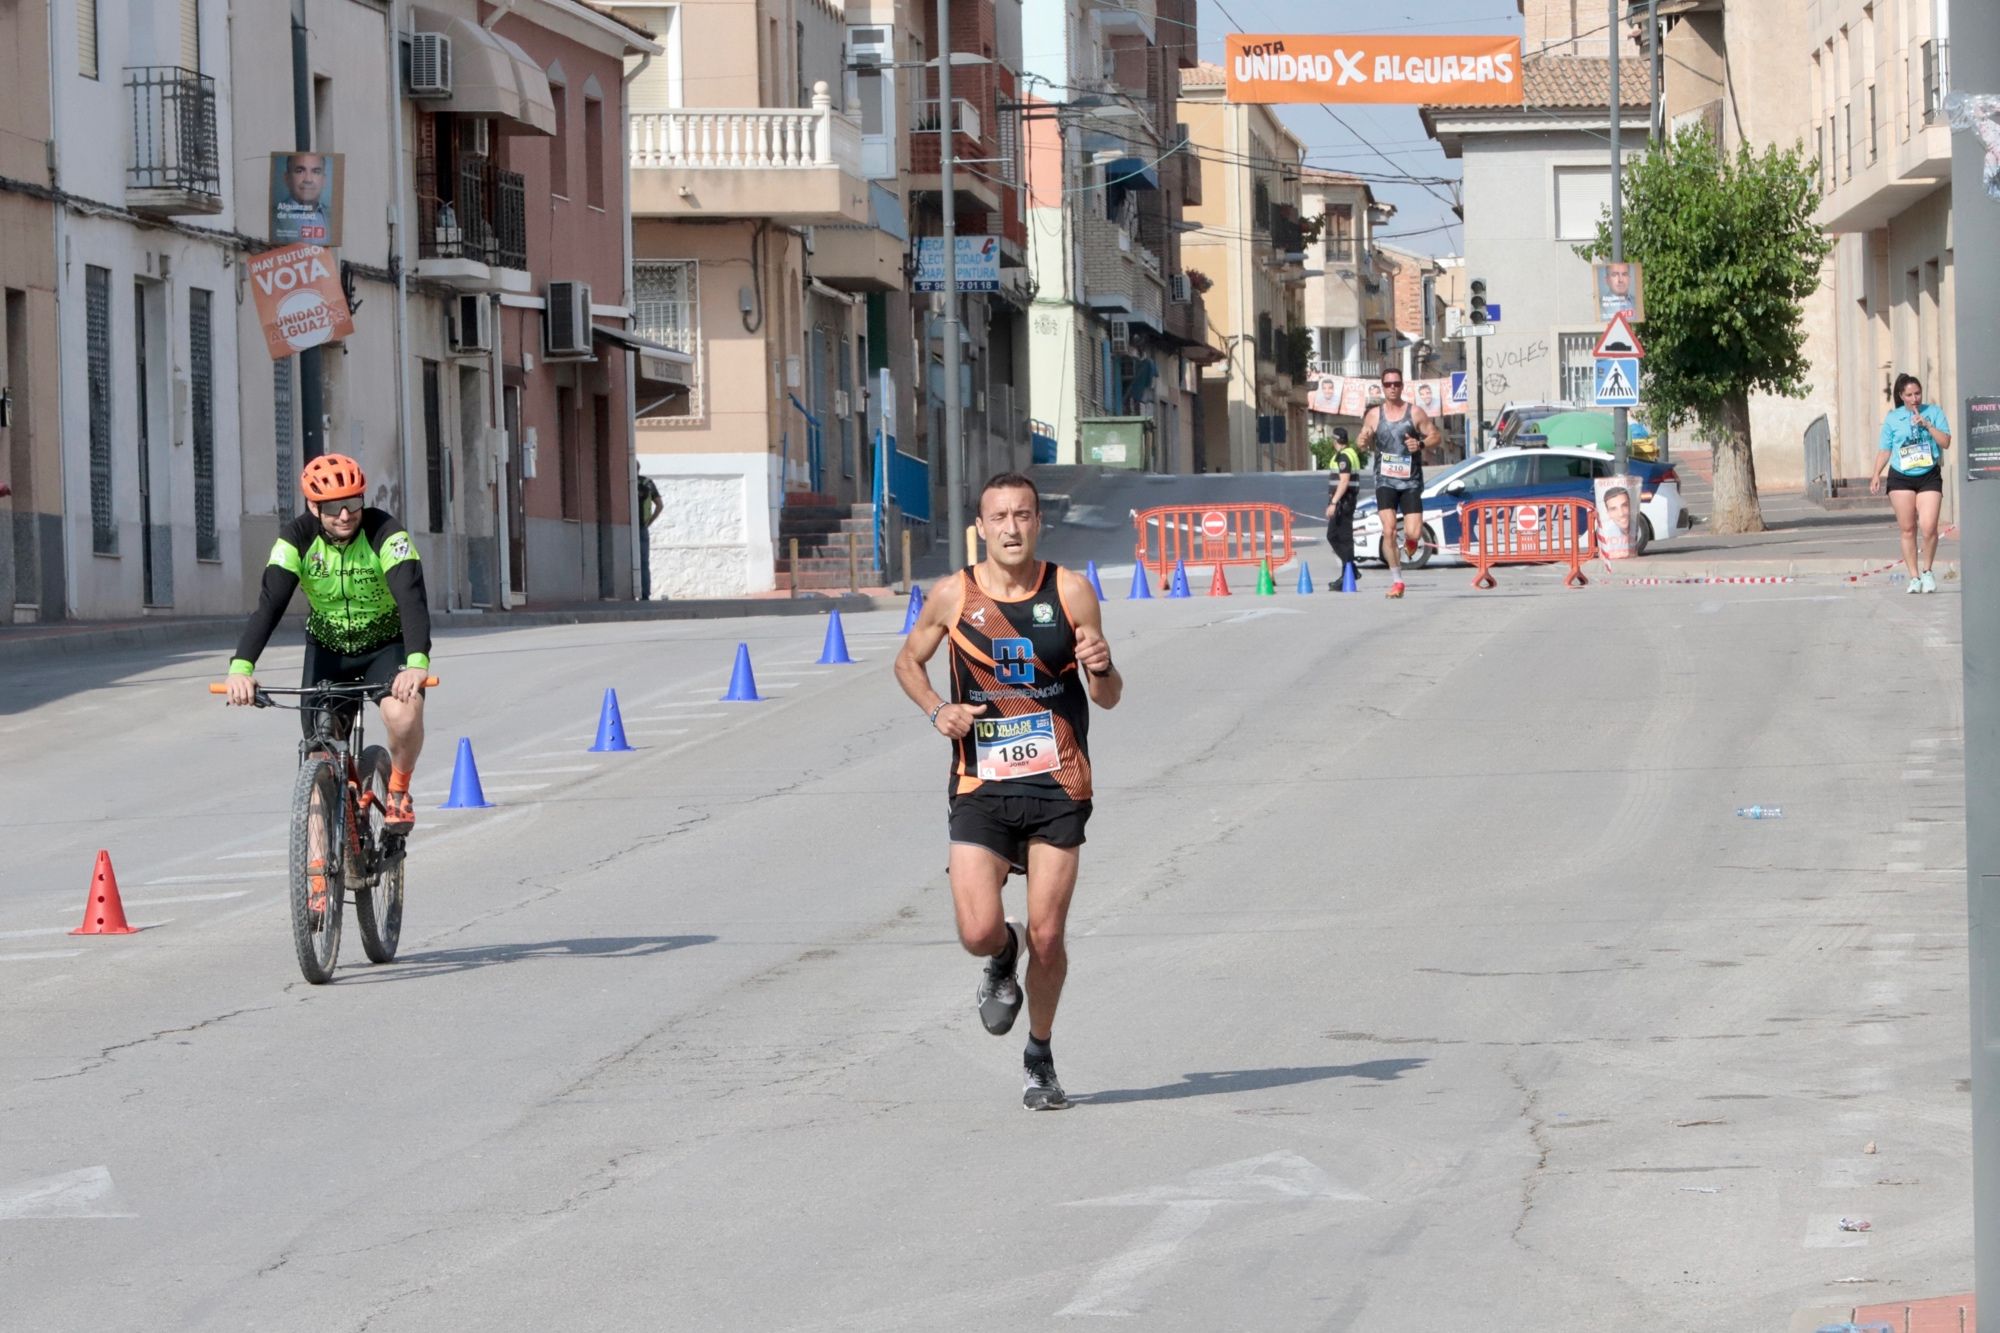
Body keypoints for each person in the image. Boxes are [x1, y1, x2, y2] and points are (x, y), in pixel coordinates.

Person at [893, 472, 1122, 1111]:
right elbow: (906, 661)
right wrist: (938, 709)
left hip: (1058, 783)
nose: (1012, 528)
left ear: (1038, 522)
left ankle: (1040, 1056)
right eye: (1000, 517)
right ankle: (1002, 951)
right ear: (982, 526)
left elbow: (1107, 696)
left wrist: (1101, 667)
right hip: (980, 784)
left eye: (1023, 515)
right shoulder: (953, 595)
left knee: (1051, 936)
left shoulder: (1070, 591)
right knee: (975, 930)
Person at [225, 454, 431, 835]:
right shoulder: (295, 539)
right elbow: (270, 604)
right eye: (333, 507)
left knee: (404, 714)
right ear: (312, 506)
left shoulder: (387, 533)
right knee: (318, 755)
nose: (345, 515)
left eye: (353, 503)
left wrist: (417, 662)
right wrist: (242, 668)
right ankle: (318, 880)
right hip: (328, 652)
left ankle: (399, 789)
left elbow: (411, 596)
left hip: (384, 647)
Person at [1359, 369, 1441, 599]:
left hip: (1410, 481)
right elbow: (1362, 438)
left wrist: (1421, 445)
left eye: (1396, 383)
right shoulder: (1374, 415)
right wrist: (1362, 440)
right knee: (1389, 530)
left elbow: (1436, 436)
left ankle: (1412, 542)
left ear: (1402, 386)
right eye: (1388, 384)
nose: (1392, 387)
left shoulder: (1415, 412)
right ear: (1383, 387)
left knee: (1414, 532)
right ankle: (1397, 581)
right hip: (1385, 480)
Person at [1871, 372, 1952, 593]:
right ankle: (1914, 577)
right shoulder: (1892, 418)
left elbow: (1946, 442)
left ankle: (1927, 572)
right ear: (1901, 396)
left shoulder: (1934, 413)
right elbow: (1885, 449)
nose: (1914, 398)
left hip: (1928, 475)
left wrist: (1927, 425)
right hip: (1901, 476)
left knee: (1928, 527)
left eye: (1918, 393)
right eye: (1909, 395)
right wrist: (1876, 473)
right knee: (1908, 528)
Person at [1323, 427, 1364, 588]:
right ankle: (1349, 570)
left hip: (1343, 501)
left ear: (1335, 440)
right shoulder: (1351, 453)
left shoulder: (1344, 456)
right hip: (1345, 500)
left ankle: (1350, 569)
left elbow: (1344, 480)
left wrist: (1334, 502)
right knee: (1340, 537)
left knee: (1336, 536)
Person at [274, 153, 331, 244]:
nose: (308, 179)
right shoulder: (273, 216)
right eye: (300, 171)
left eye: (316, 172)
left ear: (324, 180)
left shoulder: (333, 217)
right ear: (287, 178)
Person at [637, 473, 663, 600]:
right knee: (643, 562)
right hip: (642, 526)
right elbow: (660, 505)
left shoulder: (622, 481)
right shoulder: (647, 482)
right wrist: (649, 522)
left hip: (626, 526)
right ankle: (645, 593)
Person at [1597, 484, 1635, 558]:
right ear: (1608, 513)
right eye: (1613, 509)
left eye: (1624, 505)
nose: (1621, 514)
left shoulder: (1639, 529)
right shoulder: (1605, 533)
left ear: (1631, 505)